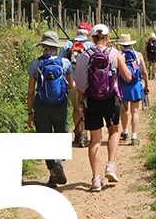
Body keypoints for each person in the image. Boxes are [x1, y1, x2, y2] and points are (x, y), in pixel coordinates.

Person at [74, 24, 133, 192]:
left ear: (92, 38)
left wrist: (82, 99)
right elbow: (128, 77)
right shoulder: (114, 53)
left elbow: (79, 83)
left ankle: (95, 179)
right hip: (111, 99)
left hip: (92, 100)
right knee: (114, 131)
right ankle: (111, 166)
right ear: (106, 37)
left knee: (95, 140)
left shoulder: (85, 56)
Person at [27, 31, 73, 188]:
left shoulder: (36, 64)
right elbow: (71, 86)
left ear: (42, 47)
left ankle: (52, 174)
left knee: (45, 138)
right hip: (60, 104)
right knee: (61, 132)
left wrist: (30, 112)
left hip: (41, 105)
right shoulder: (64, 63)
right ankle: (59, 161)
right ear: (56, 47)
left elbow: (30, 91)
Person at [59, 22, 94, 148]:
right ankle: (85, 136)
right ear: (88, 33)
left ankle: (78, 134)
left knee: (76, 108)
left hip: (72, 82)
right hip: (88, 83)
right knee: (86, 108)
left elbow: (60, 64)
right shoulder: (90, 45)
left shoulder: (68, 45)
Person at [116, 34, 149, 146]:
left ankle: (125, 131)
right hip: (135, 86)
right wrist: (146, 86)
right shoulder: (137, 55)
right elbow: (144, 72)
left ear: (120, 45)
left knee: (123, 110)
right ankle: (134, 136)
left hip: (122, 87)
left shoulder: (118, 56)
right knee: (134, 112)